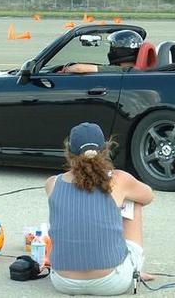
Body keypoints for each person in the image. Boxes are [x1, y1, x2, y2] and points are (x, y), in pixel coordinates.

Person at [45, 122, 154, 296]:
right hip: (111, 282)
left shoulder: (52, 183)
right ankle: (135, 270)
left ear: (69, 153)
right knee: (135, 201)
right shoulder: (119, 179)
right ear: (105, 150)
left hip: (62, 281)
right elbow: (148, 196)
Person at [61, 30, 142, 73]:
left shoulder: (121, 70)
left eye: (112, 47)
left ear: (119, 51)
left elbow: (79, 68)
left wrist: (66, 70)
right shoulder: (136, 69)